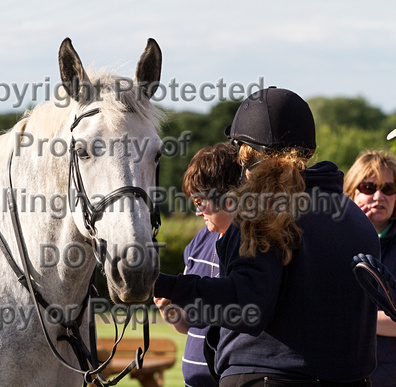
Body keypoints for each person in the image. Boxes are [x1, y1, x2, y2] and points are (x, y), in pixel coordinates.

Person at [154, 87, 379, 386]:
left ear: (246, 154)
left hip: (266, 377)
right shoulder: (355, 217)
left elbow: (246, 307)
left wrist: (162, 283)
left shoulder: (261, 213)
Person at [154, 142, 240, 387]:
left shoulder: (251, 250)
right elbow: (188, 324)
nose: (197, 212)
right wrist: (167, 309)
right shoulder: (197, 243)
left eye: (199, 201)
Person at [344, 150, 396, 387]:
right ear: (351, 191)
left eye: (388, 188)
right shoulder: (331, 241)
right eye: (368, 187)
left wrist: (349, 318)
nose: (378, 196)